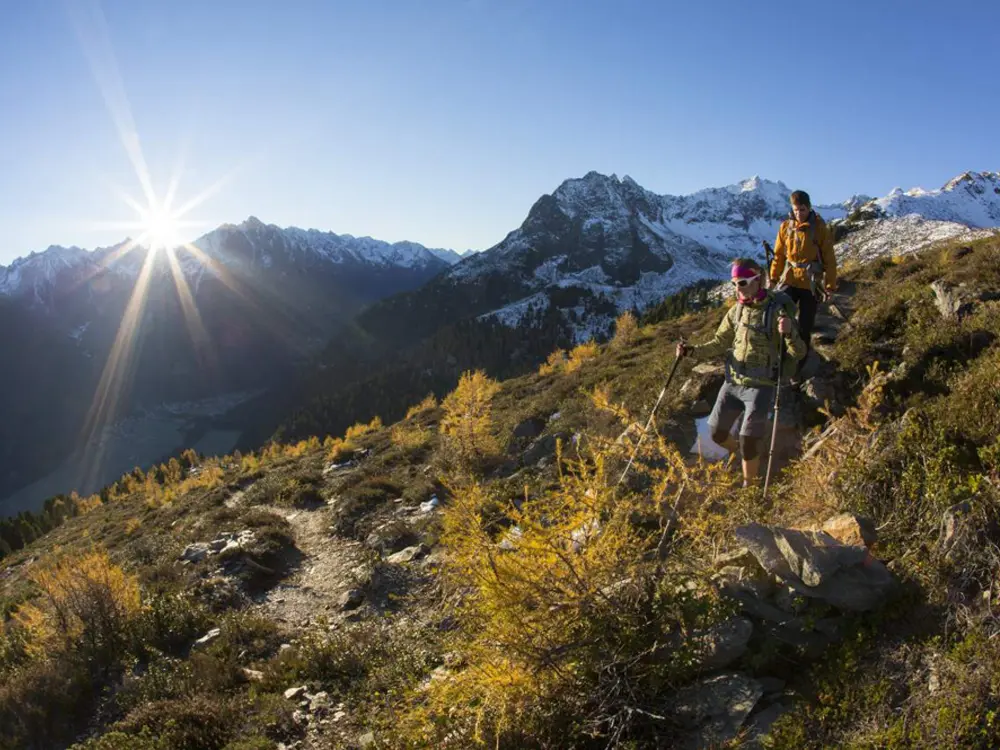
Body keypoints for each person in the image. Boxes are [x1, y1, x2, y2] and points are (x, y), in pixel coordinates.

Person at [677, 258, 806, 487]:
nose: (738, 288)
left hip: (762, 384)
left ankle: (750, 487)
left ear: (758, 280)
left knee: (749, 440)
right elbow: (719, 342)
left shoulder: (776, 312)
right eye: (735, 283)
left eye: (743, 282)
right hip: (734, 381)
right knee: (717, 433)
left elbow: (799, 351)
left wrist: (789, 333)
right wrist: (691, 352)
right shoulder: (736, 311)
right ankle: (738, 454)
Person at [768, 190, 837, 377]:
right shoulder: (785, 227)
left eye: (802, 209)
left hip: (810, 282)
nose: (799, 213)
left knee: (805, 325)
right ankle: (779, 359)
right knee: (779, 317)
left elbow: (830, 259)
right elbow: (779, 256)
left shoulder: (820, 228)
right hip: (789, 278)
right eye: (796, 209)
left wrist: (829, 286)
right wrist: (773, 280)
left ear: (809, 207)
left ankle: (798, 367)